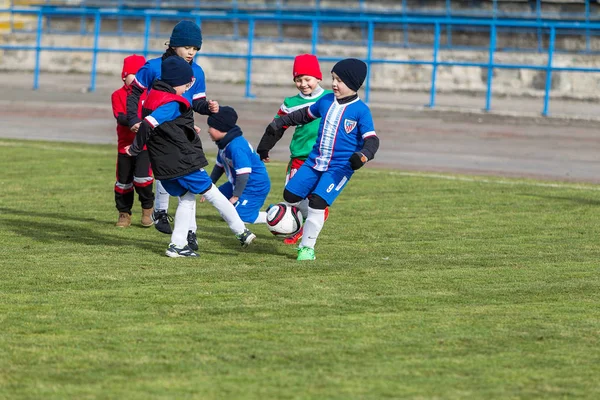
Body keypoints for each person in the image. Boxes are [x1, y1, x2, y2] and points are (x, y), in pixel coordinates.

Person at [126, 57, 256, 258]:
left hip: (163, 163)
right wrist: (135, 149)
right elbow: (148, 124)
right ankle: (241, 231)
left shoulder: (153, 97)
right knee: (213, 193)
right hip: (182, 160)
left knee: (186, 199)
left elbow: (165, 126)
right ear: (174, 82)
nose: (187, 89)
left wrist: (186, 127)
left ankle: (177, 245)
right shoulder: (172, 103)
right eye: (186, 85)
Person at [262, 58, 380, 261]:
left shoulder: (361, 110)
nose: (334, 84)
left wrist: (363, 156)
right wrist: (281, 122)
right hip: (314, 162)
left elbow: (372, 140)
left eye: (339, 81)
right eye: (333, 78)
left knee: (317, 202)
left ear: (353, 84)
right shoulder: (325, 102)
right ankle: (292, 222)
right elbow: (303, 115)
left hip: (339, 168)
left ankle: (307, 248)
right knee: (290, 195)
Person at [126, 20, 218, 240]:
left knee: (187, 180)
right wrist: (133, 119)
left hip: (183, 130)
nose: (191, 52)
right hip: (159, 128)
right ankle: (161, 211)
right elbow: (134, 94)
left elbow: (197, 102)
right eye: (187, 47)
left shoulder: (197, 71)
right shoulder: (153, 66)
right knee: (170, 173)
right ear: (174, 44)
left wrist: (209, 108)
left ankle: (189, 232)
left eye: (195, 49)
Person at [257, 54, 332, 245]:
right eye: (298, 80)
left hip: (323, 157)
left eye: (308, 79)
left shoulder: (330, 99)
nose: (303, 84)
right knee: (293, 197)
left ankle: (303, 231)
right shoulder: (290, 103)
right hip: (299, 157)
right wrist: (264, 148)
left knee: (314, 198)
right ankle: (297, 223)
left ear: (318, 78)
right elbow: (277, 126)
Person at [111, 54, 154, 228]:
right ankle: (124, 213)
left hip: (144, 146)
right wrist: (133, 123)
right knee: (123, 182)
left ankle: (147, 209)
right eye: (133, 75)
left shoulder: (150, 94)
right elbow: (120, 117)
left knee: (143, 179)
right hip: (125, 147)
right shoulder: (118, 95)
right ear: (124, 76)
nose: (137, 79)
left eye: (141, 75)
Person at [206, 106, 270, 224]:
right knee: (216, 197)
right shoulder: (223, 143)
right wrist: (208, 186)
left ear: (221, 128)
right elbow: (219, 167)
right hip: (238, 183)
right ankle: (236, 211)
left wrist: (236, 196)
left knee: (242, 219)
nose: (208, 130)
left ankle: (276, 216)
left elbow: (244, 174)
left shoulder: (236, 146)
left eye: (211, 127)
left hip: (254, 185)